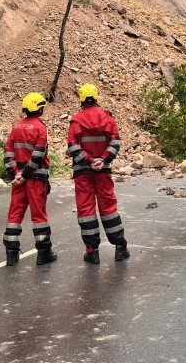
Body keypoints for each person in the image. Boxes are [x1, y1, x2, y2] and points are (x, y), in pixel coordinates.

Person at [67, 83, 130, 264]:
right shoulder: (108, 119)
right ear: (96, 98)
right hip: (103, 171)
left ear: (81, 99)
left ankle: (92, 251)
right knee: (109, 208)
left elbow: (73, 147)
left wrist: (88, 159)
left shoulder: (76, 121)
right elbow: (115, 142)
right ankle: (120, 247)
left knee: (86, 210)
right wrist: (102, 159)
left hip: (82, 173)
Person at [2, 92, 57, 266]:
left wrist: (16, 174)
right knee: (38, 215)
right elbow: (38, 155)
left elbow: (8, 152)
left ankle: (11, 255)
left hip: (19, 179)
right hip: (35, 179)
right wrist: (25, 175)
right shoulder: (41, 128)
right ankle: (43, 253)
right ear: (39, 109)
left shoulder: (16, 127)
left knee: (14, 214)